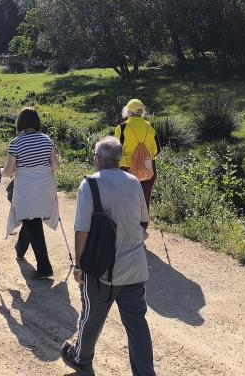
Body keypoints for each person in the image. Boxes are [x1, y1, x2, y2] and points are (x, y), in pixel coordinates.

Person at [61, 137, 154, 376]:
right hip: (135, 266)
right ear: (119, 159)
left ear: (99, 158)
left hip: (103, 268)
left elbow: (82, 231)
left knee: (92, 317)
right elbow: (143, 220)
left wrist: (79, 265)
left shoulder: (90, 184)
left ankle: (81, 359)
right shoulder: (134, 182)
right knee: (137, 325)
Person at [0, 107, 60, 279]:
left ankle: (45, 266)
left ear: (20, 123)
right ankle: (20, 249)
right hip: (46, 185)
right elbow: (55, 166)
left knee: (31, 220)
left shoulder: (16, 143)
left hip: (26, 187)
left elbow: (9, 171)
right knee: (31, 219)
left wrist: (0, 171)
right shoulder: (48, 140)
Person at [113, 99, 160, 209]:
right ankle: (142, 225)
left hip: (127, 170)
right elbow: (157, 150)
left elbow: (116, 151)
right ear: (141, 112)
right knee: (144, 203)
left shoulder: (122, 128)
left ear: (128, 112)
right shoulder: (149, 126)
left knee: (126, 203)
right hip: (148, 169)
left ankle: (126, 225)